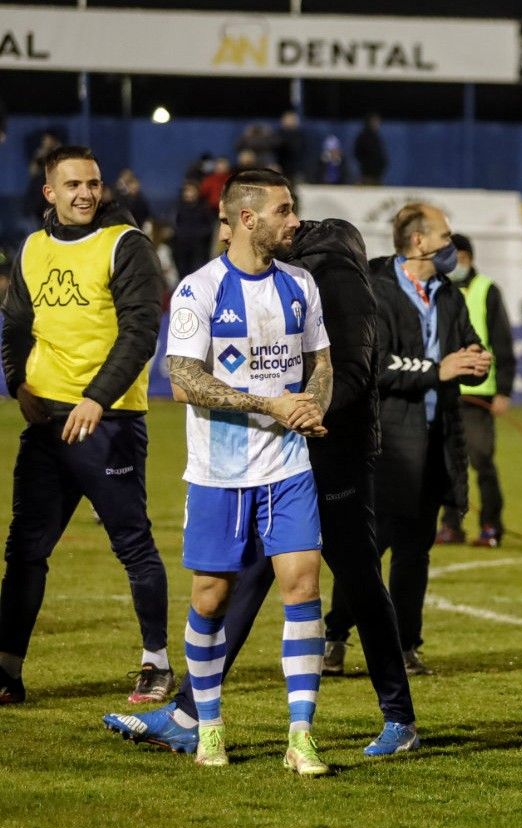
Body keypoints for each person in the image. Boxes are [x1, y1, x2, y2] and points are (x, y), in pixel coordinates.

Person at [103, 213, 422, 759]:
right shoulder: (284, 274)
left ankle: (399, 718)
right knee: (246, 580)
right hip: (282, 451)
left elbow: (347, 368)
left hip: (331, 452)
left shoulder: (330, 277)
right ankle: (189, 713)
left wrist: (312, 411)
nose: (288, 223)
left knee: (357, 581)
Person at [161, 168, 333, 774]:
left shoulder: (301, 284)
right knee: (209, 599)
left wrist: (313, 405)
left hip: (287, 467)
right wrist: (270, 404)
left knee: (304, 586)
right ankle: (208, 727)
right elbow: (182, 380)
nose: (295, 220)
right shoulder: (198, 291)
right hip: (218, 472)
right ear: (248, 218)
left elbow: (321, 362)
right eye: (285, 210)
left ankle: (301, 733)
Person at [0, 145, 172, 706]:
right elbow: (17, 326)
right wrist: (16, 384)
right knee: (25, 550)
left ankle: (155, 663)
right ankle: (8, 668)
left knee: (132, 544)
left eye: (93, 184)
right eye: (73, 185)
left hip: (109, 422)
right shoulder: (31, 248)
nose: (86, 194)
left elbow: (141, 333)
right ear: (49, 191)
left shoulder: (126, 245)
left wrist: (97, 398)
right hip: (47, 424)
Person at [325, 203, 490, 676]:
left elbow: (468, 343)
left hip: (437, 442)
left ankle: (405, 645)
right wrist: (439, 370)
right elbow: (374, 365)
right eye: (444, 234)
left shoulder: (449, 296)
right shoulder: (375, 291)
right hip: (386, 443)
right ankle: (335, 635)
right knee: (369, 550)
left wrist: (475, 356)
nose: (451, 244)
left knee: (416, 552)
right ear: (418, 241)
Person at [436, 234, 516, 548]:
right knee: (446, 462)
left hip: (478, 394)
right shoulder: (436, 289)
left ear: (466, 256)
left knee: (481, 461)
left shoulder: (487, 290)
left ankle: (491, 527)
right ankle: (451, 525)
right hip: (443, 388)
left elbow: (502, 341)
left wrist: (503, 391)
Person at [354, 114, 388, 185]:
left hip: (378, 175)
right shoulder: (363, 137)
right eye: (374, 122)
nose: (377, 124)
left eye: (378, 122)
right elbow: (357, 153)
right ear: (369, 122)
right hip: (367, 175)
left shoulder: (376, 137)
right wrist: (367, 165)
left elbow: (380, 155)